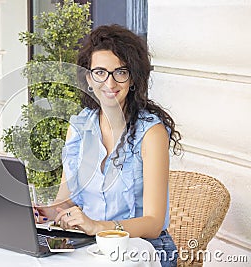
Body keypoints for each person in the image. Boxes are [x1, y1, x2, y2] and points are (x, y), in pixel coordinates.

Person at [34, 24, 182, 266]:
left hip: (144, 249)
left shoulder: (151, 133)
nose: (110, 83)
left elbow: (154, 224)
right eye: (100, 72)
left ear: (132, 77)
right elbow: (68, 199)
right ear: (89, 79)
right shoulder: (80, 127)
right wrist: (46, 212)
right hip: (90, 246)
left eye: (120, 72)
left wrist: (98, 227)